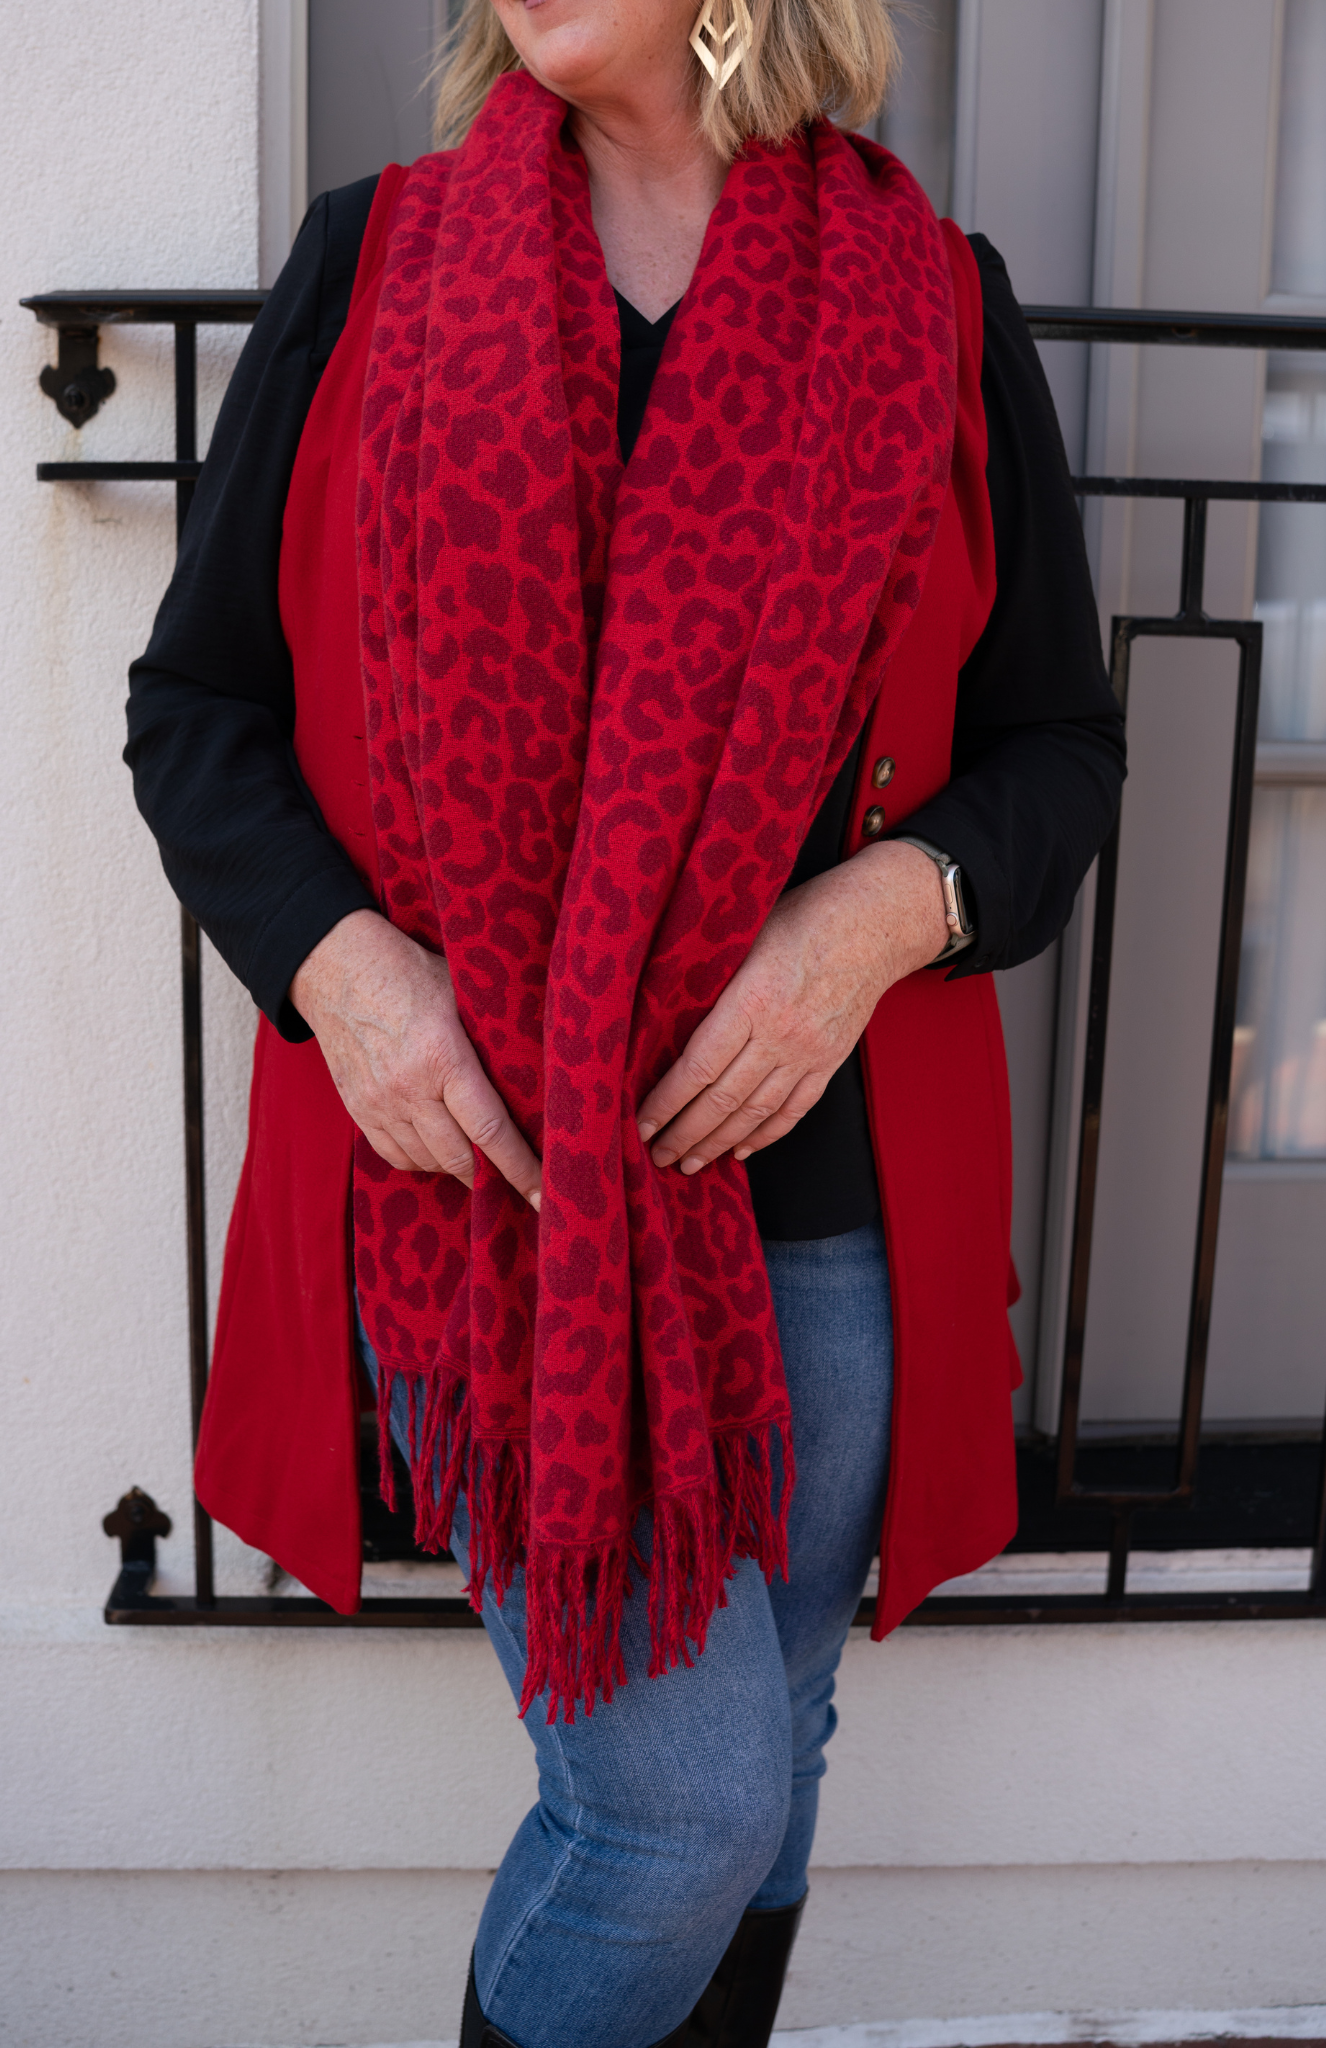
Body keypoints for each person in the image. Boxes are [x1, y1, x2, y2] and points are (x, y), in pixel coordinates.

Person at [126, 0, 1123, 2042]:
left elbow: (1054, 754)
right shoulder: (380, 258)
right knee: (673, 1806)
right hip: (493, 1184)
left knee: (772, 1762)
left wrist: (865, 918)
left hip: (821, 1194)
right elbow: (199, 714)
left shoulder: (924, 301)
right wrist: (348, 970)